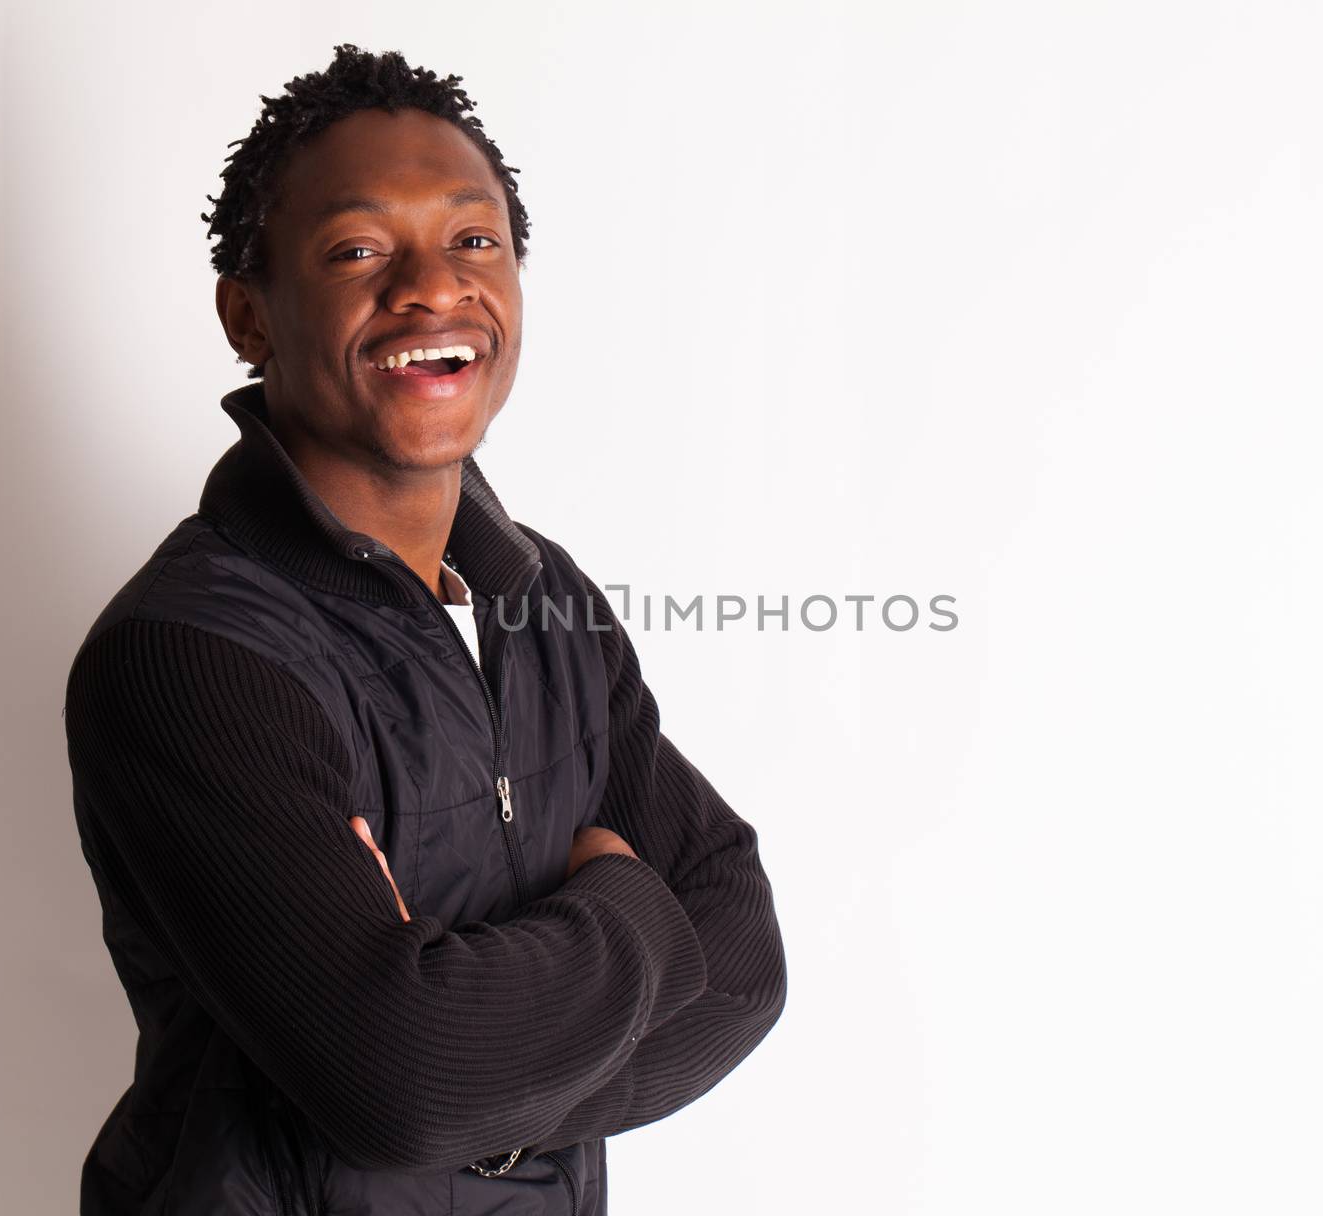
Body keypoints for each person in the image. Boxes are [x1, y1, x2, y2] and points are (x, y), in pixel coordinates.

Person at [63, 44, 787, 1216]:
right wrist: (627, 906)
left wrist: (476, 1073)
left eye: (473, 241)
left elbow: (743, 968)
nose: (432, 287)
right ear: (249, 314)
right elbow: (401, 1082)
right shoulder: (190, 655)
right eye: (358, 250)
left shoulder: (545, 603)